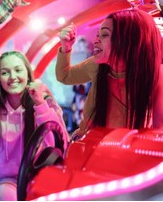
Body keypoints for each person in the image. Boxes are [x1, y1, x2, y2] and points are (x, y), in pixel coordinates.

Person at [56, 9, 163, 139]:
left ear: (128, 40)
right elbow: (64, 76)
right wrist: (66, 47)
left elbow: (159, 132)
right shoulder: (96, 66)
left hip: (125, 154)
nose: (96, 40)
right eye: (98, 35)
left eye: (104, 35)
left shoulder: (156, 75)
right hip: (87, 146)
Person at [0, 51, 68, 201]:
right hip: (6, 182)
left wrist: (40, 105)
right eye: (5, 72)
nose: (12, 77)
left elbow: (59, 143)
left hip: (40, 176)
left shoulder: (45, 102)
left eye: (18, 70)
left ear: (28, 73)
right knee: (4, 195)